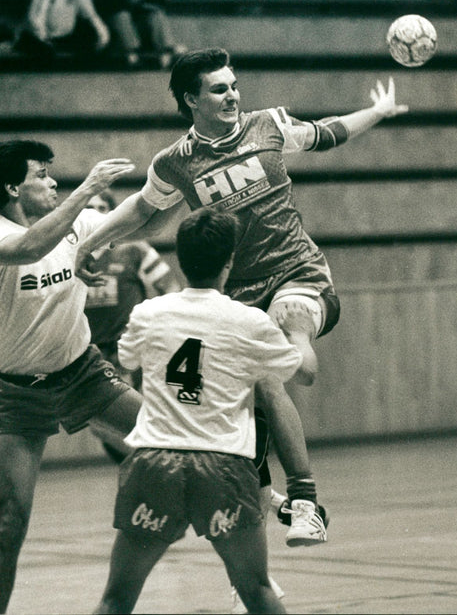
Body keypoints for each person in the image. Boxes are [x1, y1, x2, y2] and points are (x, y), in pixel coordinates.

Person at [74, 47, 409, 547]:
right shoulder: (176, 162)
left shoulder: (268, 125)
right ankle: (289, 510)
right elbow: (142, 209)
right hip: (240, 294)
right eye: (218, 89)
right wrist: (91, 241)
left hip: (299, 273)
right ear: (192, 99)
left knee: (287, 337)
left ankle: (303, 484)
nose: (232, 95)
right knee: (254, 394)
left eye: (234, 85)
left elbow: (329, 132)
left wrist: (377, 113)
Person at [94, 206, 316, 614]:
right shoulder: (249, 321)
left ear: (179, 257)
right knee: (257, 591)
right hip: (224, 468)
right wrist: (299, 330)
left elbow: (126, 359)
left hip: (155, 465)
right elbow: (304, 373)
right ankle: (299, 498)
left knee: (116, 598)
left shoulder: (146, 313)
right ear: (229, 262)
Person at [0, 140, 142, 615]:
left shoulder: (77, 226)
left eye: (51, 173)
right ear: (12, 187)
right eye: (41, 175)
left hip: (83, 372)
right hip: (19, 393)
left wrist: (172, 182)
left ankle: (247, 559)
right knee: (9, 522)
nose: (52, 181)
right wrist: (87, 188)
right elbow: (31, 246)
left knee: (170, 437)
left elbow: (139, 217)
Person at [84, 190, 181, 391]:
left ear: (113, 214)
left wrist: (159, 330)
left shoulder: (135, 249)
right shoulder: (73, 255)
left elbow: (171, 289)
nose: (95, 214)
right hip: (86, 354)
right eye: (89, 208)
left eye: (101, 208)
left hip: (125, 352)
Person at [88, 0, 187, 68]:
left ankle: (166, 49)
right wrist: (130, 1)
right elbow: (108, 5)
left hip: (135, 24)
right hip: (111, 28)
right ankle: (130, 53)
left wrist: (141, 1)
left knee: (154, 13)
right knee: (122, 16)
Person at [13, 0, 110, 64]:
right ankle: (20, 42)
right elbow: (36, 18)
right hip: (42, 37)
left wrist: (103, 34)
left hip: (65, 37)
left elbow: (89, 13)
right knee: (41, 48)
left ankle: (58, 49)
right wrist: (44, 38)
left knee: (90, 38)